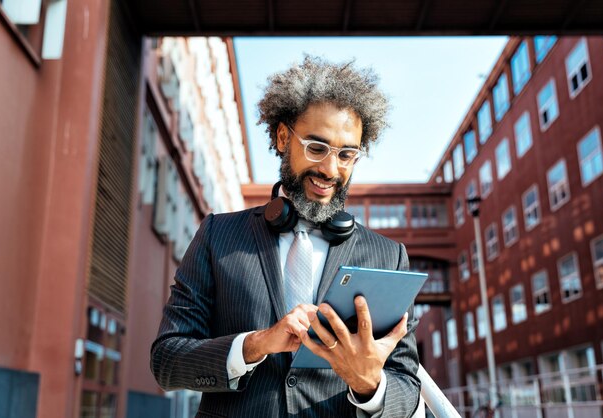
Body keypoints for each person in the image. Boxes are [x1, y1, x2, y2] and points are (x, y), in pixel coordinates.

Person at [151, 56, 421, 418]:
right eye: (316, 148)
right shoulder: (218, 235)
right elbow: (167, 360)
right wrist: (256, 344)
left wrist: (370, 383)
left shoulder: (389, 257)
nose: (330, 169)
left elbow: (407, 387)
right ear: (282, 137)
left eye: (347, 154)